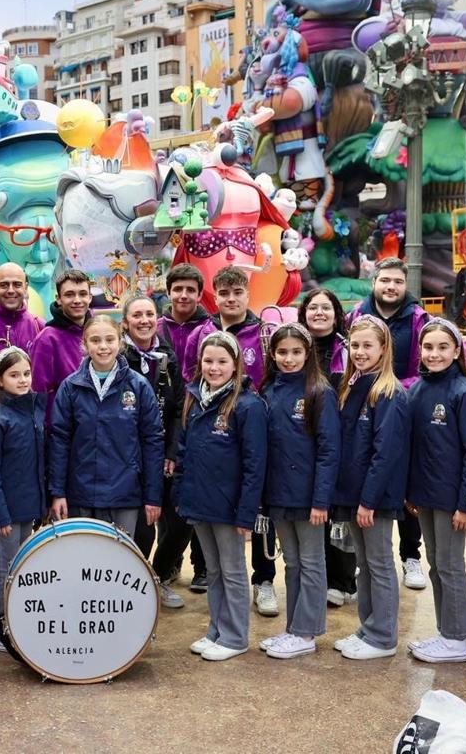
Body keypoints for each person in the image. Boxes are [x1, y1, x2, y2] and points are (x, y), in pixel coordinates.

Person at [183, 266, 278, 613]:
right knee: (213, 504)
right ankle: (208, 571)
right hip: (214, 428)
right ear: (215, 296)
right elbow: (190, 379)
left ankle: (264, 579)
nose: (231, 299)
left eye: (237, 292)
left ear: (247, 294)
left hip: (251, 423)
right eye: (224, 293)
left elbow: (271, 381)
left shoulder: (263, 333)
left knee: (256, 506)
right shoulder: (202, 333)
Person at [175, 330, 267, 662]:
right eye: (208, 361)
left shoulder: (247, 405)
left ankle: (235, 635)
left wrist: (246, 512)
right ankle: (216, 628)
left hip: (229, 507)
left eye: (222, 362)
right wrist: (181, 494)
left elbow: (255, 465)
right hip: (200, 503)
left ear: (236, 364)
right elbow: (185, 452)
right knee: (213, 570)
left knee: (232, 571)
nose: (214, 368)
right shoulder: (194, 398)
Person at [346, 258, 429, 594]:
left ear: (404, 285)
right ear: (374, 281)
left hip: (400, 401)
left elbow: (423, 365)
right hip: (366, 399)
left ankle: (411, 555)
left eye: (397, 281)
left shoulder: (418, 318)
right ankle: (360, 562)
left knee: (402, 481)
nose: (391, 287)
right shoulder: (357, 316)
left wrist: (394, 387)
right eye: (385, 281)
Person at [404, 319, 466, 665]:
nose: (434, 354)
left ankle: (458, 637)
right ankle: (445, 631)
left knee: (450, 565)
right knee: (436, 564)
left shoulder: (464, 393)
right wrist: (411, 493)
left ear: (456, 351)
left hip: (453, 500)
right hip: (426, 497)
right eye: (428, 347)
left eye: (442, 347)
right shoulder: (417, 390)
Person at [259, 324, 339, 661]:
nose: (289, 359)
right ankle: (294, 627)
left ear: (308, 354)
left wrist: (320, 500)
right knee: (291, 563)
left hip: (309, 499)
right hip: (279, 496)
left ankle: (307, 630)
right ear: (272, 355)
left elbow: (328, 450)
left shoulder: (319, 392)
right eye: (282, 352)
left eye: (296, 352)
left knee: (311, 562)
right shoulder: (268, 391)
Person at [332, 317, 409, 661]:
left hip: (373, 499)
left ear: (383, 349)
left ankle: (384, 636)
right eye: (355, 345)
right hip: (353, 494)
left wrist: (368, 501)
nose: (360, 352)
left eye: (368, 346)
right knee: (363, 562)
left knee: (379, 563)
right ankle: (368, 626)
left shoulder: (388, 391)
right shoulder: (352, 386)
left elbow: (385, 452)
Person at [48, 315, 162, 538]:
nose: (103, 346)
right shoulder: (70, 387)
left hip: (125, 493)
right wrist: (58, 492)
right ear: (84, 344)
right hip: (81, 492)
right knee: (84, 562)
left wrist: (153, 496)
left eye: (110, 339)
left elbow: (152, 441)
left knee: (120, 562)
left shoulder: (138, 386)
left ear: (121, 342)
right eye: (95, 340)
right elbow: (59, 441)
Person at [0, 347, 45, 652]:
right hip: (5, 510)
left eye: (26, 374)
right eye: (14, 375)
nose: (22, 380)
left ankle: (18, 623)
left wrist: (41, 505)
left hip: (28, 505)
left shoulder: (33, 409)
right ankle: (1, 629)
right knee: (6, 570)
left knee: (22, 568)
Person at [121, 294, 187, 610]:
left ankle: (158, 574)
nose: (145, 320)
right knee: (144, 526)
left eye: (149, 314)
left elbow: (176, 410)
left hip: (164, 452)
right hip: (132, 455)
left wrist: (172, 451)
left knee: (179, 520)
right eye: (137, 315)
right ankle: (138, 581)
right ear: (126, 322)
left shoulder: (167, 356)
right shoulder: (119, 358)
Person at [155, 263, 211, 595]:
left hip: (198, 416)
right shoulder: (157, 327)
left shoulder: (207, 327)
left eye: (191, 289)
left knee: (199, 494)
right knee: (168, 497)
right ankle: (171, 561)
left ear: (199, 293)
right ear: (170, 291)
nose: (184, 295)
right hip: (167, 420)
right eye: (178, 289)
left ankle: (202, 566)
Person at [299, 288, 355, 607]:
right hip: (307, 441)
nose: (319, 313)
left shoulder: (346, 350)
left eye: (326, 307)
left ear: (336, 313)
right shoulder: (297, 348)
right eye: (313, 308)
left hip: (342, 437)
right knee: (316, 512)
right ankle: (319, 578)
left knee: (339, 512)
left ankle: (344, 580)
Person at [30, 269, 93, 421]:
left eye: (82, 294)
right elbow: (39, 391)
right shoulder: (47, 339)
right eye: (69, 294)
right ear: (58, 299)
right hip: (61, 427)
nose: (77, 300)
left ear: (90, 297)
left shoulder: (96, 332)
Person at [0, 263, 44, 353]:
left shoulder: (39, 327)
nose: (10, 290)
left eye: (17, 284)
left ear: (25, 288)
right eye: (4, 285)